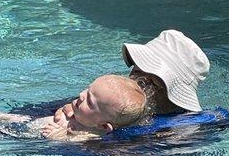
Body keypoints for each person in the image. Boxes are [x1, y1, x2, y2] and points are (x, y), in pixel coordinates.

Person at [55, 30, 210, 122]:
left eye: (152, 78)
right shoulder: (101, 102)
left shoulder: (184, 131)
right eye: (137, 68)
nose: (136, 80)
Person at [0, 74, 147, 142]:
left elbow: (68, 142)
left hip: (27, 135)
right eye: (88, 89)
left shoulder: (89, 136)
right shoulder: (79, 112)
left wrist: (60, 136)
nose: (81, 95)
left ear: (103, 126)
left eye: (90, 101)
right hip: (28, 122)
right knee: (2, 117)